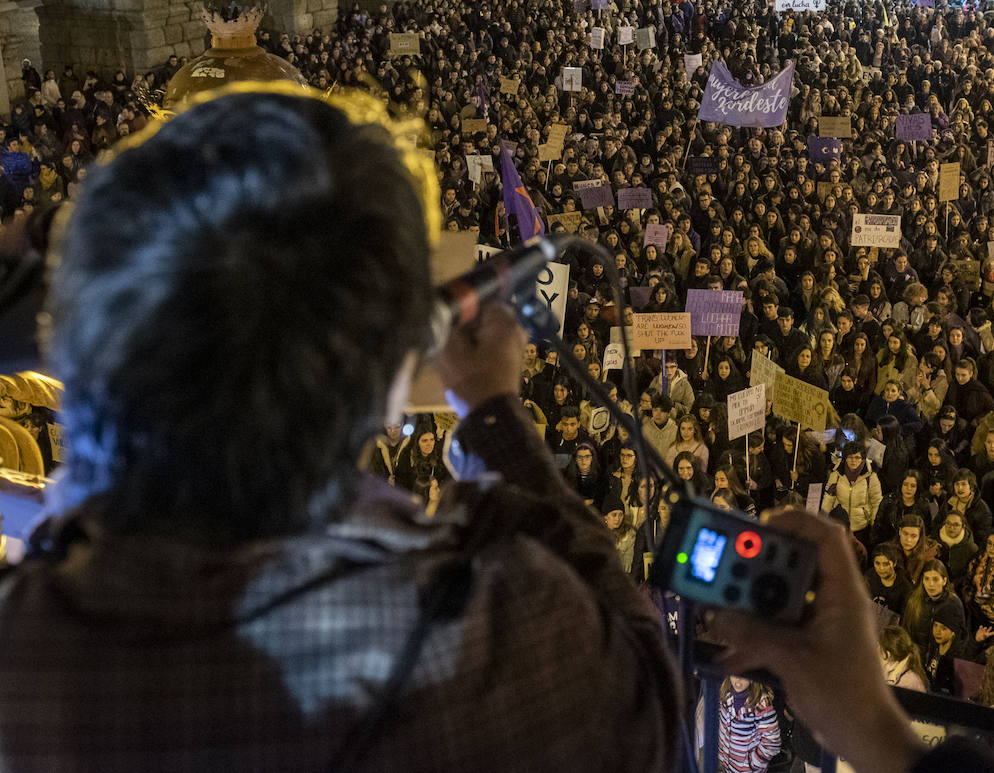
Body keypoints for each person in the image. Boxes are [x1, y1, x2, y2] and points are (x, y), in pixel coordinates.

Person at [0, 91, 682, 769]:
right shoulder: (497, 645)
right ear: (390, 395)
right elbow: (643, 695)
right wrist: (492, 409)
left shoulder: (23, 660)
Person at [710, 677, 782, 773]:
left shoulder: (762, 706)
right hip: (726, 765)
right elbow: (720, 721)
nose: (738, 681)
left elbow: (772, 742)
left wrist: (752, 764)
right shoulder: (725, 694)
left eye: (744, 676)